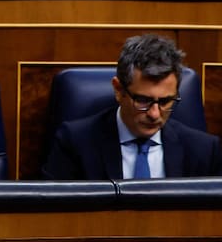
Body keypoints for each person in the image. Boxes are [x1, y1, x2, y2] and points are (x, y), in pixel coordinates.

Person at [43, 34, 221, 180]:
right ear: (119, 90)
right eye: (143, 100)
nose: (154, 114)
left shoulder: (204, 150)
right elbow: (52, 217)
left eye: (166, 101)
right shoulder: (75, 143)